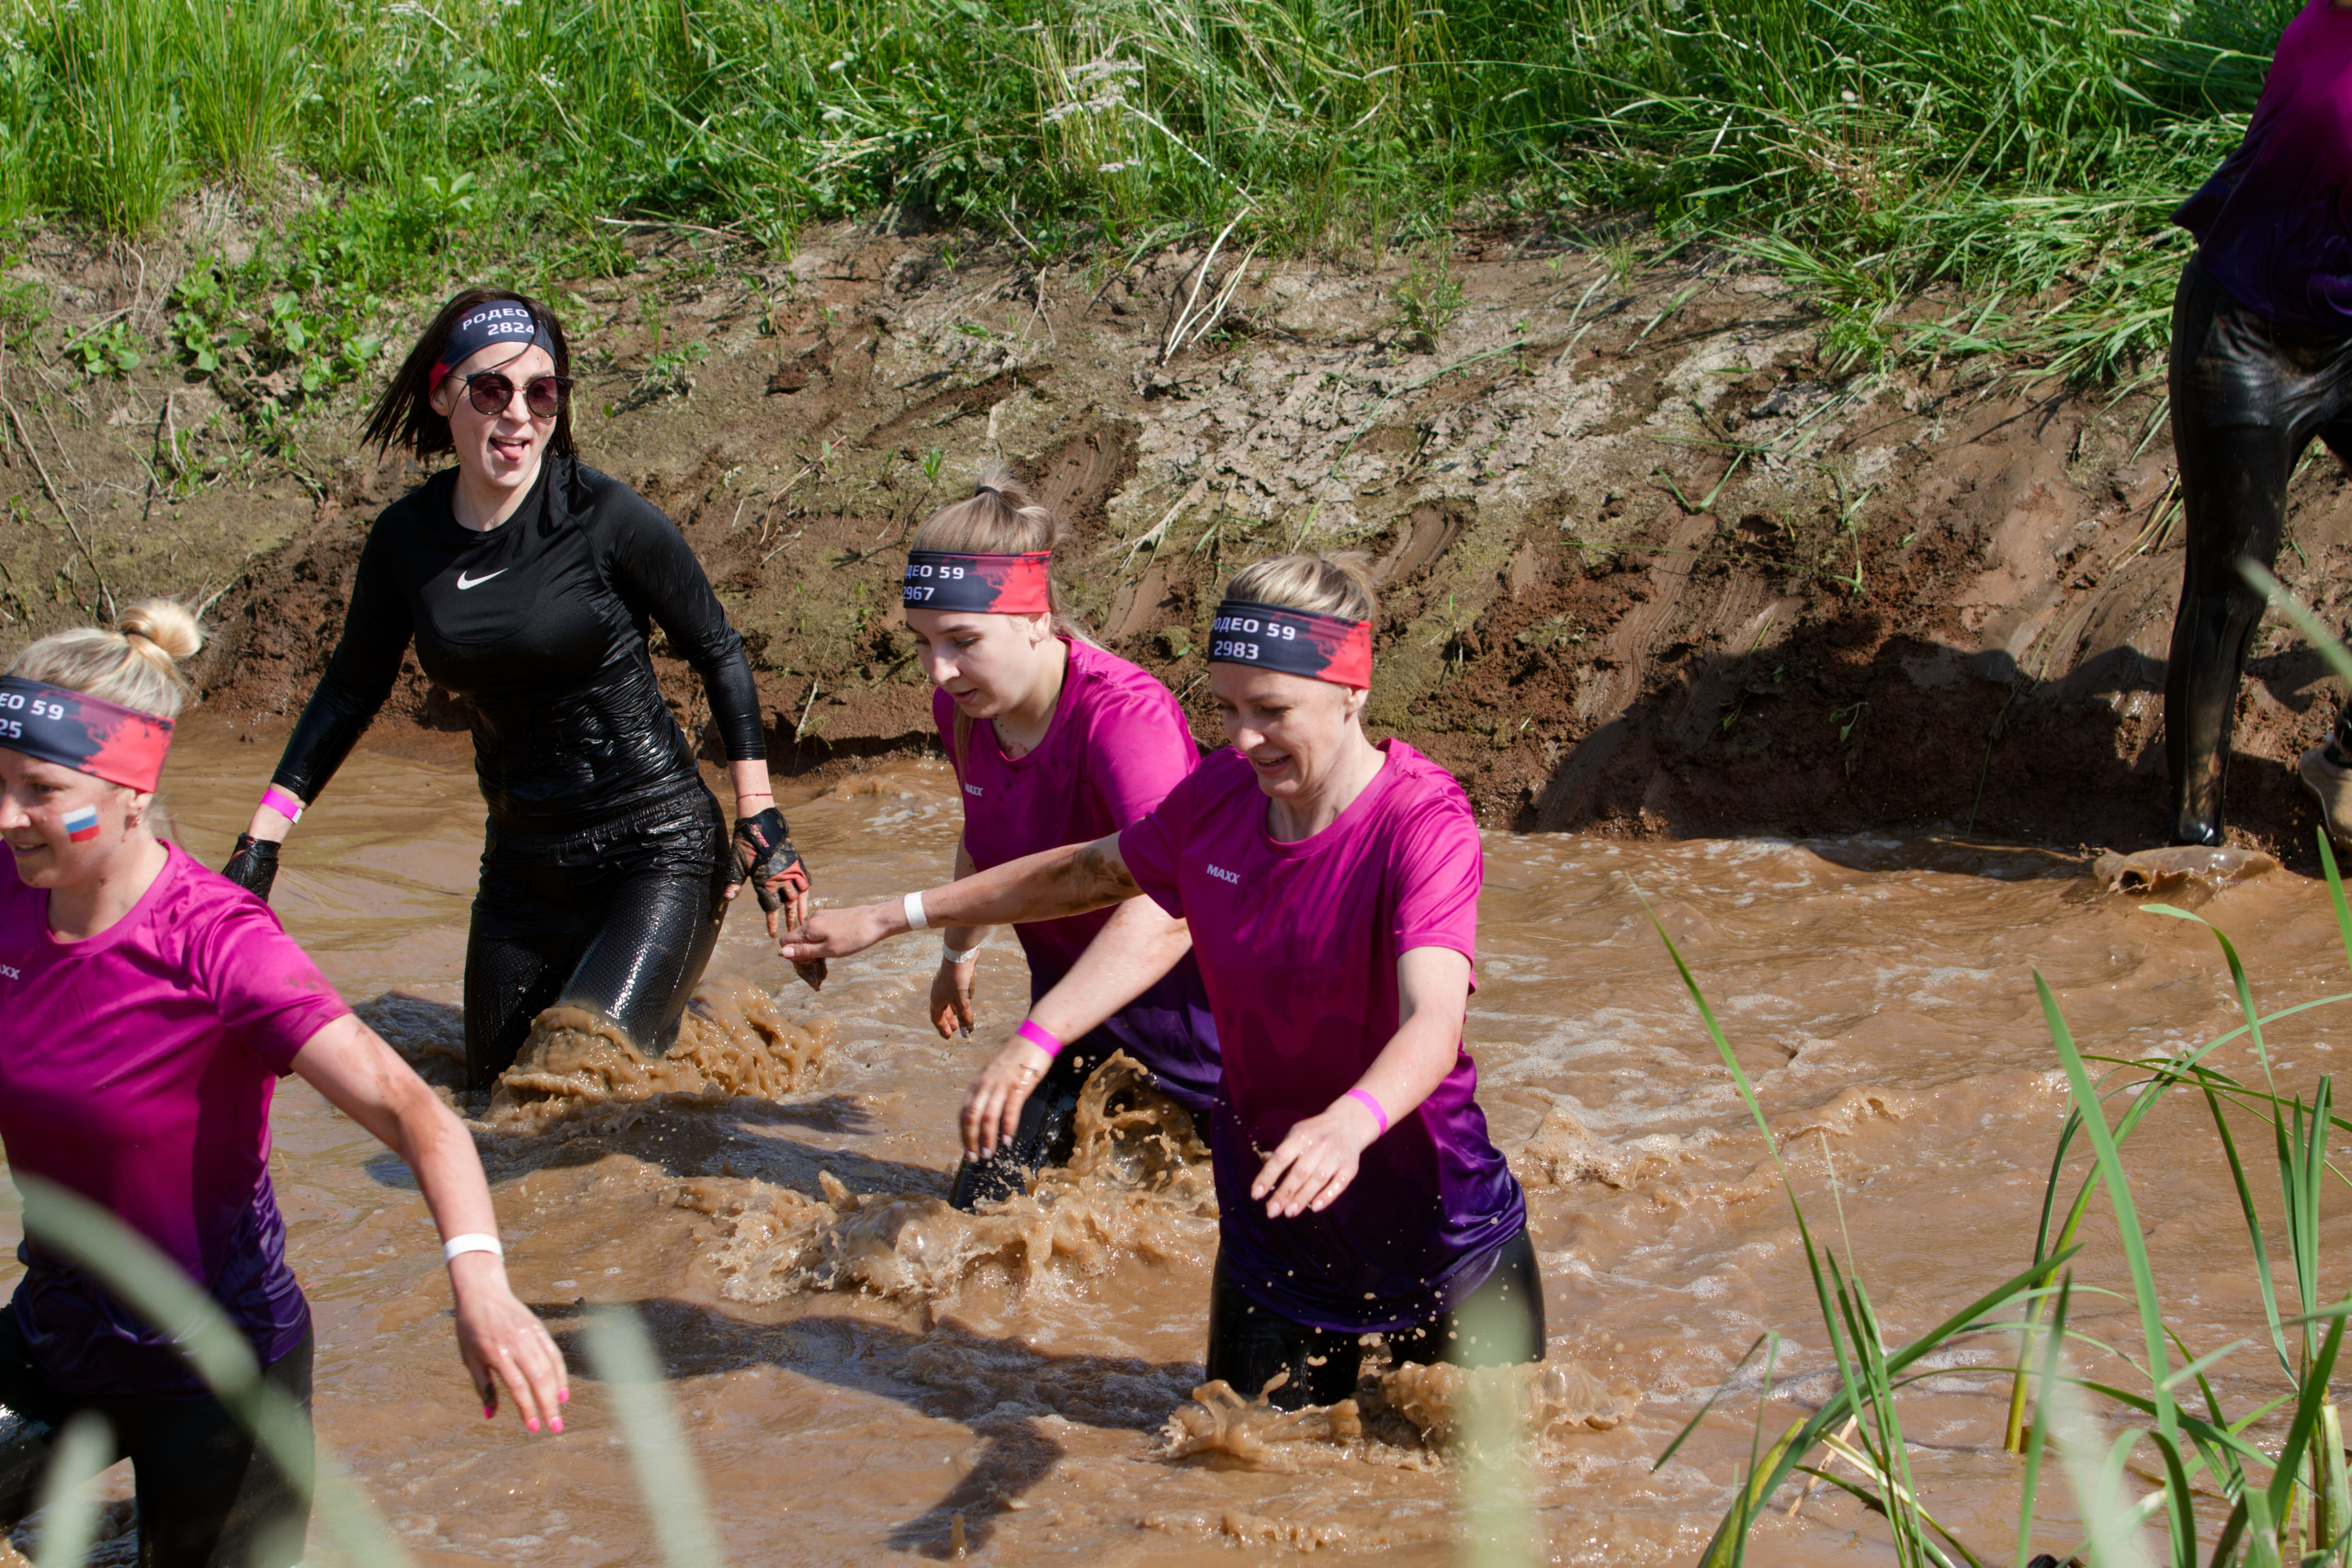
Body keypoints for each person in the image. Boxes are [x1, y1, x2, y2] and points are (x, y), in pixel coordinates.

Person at [781, 554, 1542, 1406]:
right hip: (1274, 1241)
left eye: (1272, 710)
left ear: (1352, 690)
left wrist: (1350, 1120)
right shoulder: (1219, 796)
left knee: (1481, 1482)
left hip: (1445, 1237)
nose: (1243, 739)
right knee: (1232, 1462)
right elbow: (1081, 874)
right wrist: (898, 919)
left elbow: (1433, 1019)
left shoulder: (1422, 820)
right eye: (1227, 709)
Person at [0, 601, 567, 1568]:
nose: (8, 815)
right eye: (0, 781)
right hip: (57, 1336)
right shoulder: (10, 888)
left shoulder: (221, 948)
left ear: (133, 790)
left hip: (222, 1375)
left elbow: (416, 1112)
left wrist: (480, 1280)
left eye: (42, 790)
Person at [220, 289, 814, 1089]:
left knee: (571, 1079)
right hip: (520, 867)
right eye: (492, 389)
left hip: (657, 848)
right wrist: (261, 842)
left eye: (541, 392)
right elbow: (349, 691)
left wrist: (759, 814)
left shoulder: (603, 515)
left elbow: (718, 648)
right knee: (493, 1102)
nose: (519, 415)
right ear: (443, 395)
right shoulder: (405, 541)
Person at [857, 471, 1220, 1208]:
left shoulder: (1126, 718)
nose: (940, 669)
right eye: (923, 642)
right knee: (976, 1221)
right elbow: (983, 831)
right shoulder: (965, 709)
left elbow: (1172, 905)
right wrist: (957, 956)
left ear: (1035, 616)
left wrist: (1034, 1037)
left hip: (1206, 1055)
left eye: (963, 641)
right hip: (1077, 1036)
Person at [2165, 0, 2352, 847]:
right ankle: (2191, 839)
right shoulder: (2330, 31)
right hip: (2243, 338)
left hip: (2346, 335)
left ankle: (2345, 765)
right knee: (2230, 592)